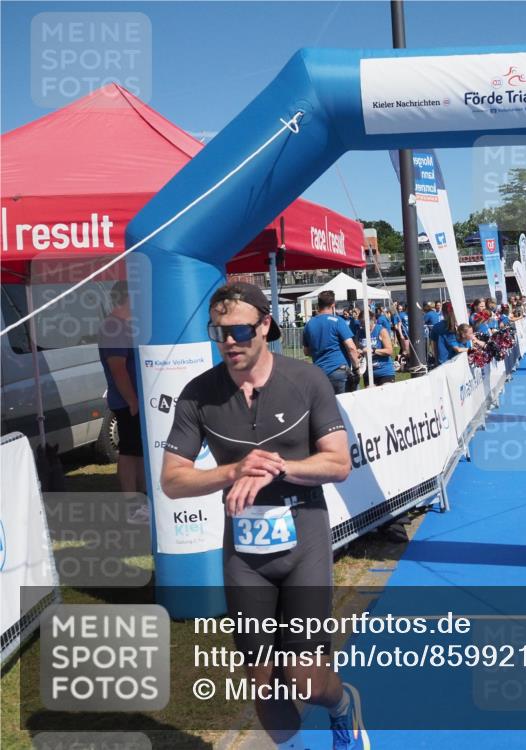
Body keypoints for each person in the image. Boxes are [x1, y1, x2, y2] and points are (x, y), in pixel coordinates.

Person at [159, 282, 366, 748]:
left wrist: (279, 466)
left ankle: (342, 707)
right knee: (262, 678)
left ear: (265, 325)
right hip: (245, 554)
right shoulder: (198, 394)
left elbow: (338, 463)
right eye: (219, 331)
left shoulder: (306, 381)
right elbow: (172, 480)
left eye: (239, 330)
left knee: (306, 680)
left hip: (304, 538)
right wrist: (232, 470)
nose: (229, 341)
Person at [98, 281, 148, 524]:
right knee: (129, 451)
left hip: (135, 400)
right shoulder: (114, 326)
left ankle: (141, 501)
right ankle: (133, 506)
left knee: (137, 451)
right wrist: (132, 400)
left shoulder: (126, 325)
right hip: (128, 401)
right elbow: (117, 369)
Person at [301, 291, 361, 395]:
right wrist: (356, 369)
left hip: (320, 374)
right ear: (333, 304)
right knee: (350, 406)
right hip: (339, 372)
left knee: (328, 408)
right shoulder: (338, 321)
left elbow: (306, 351)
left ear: (318, 304)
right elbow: (351, 348)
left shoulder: (309, 325)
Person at [367, 310, 396, 386]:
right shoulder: (360, 332)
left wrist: (373, 350)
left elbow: (389, 351)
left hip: (384, 372)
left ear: (372, 320)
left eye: (364, 322)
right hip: (369, 373)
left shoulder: (381, 330)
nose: (362, 325)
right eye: (361, 323)